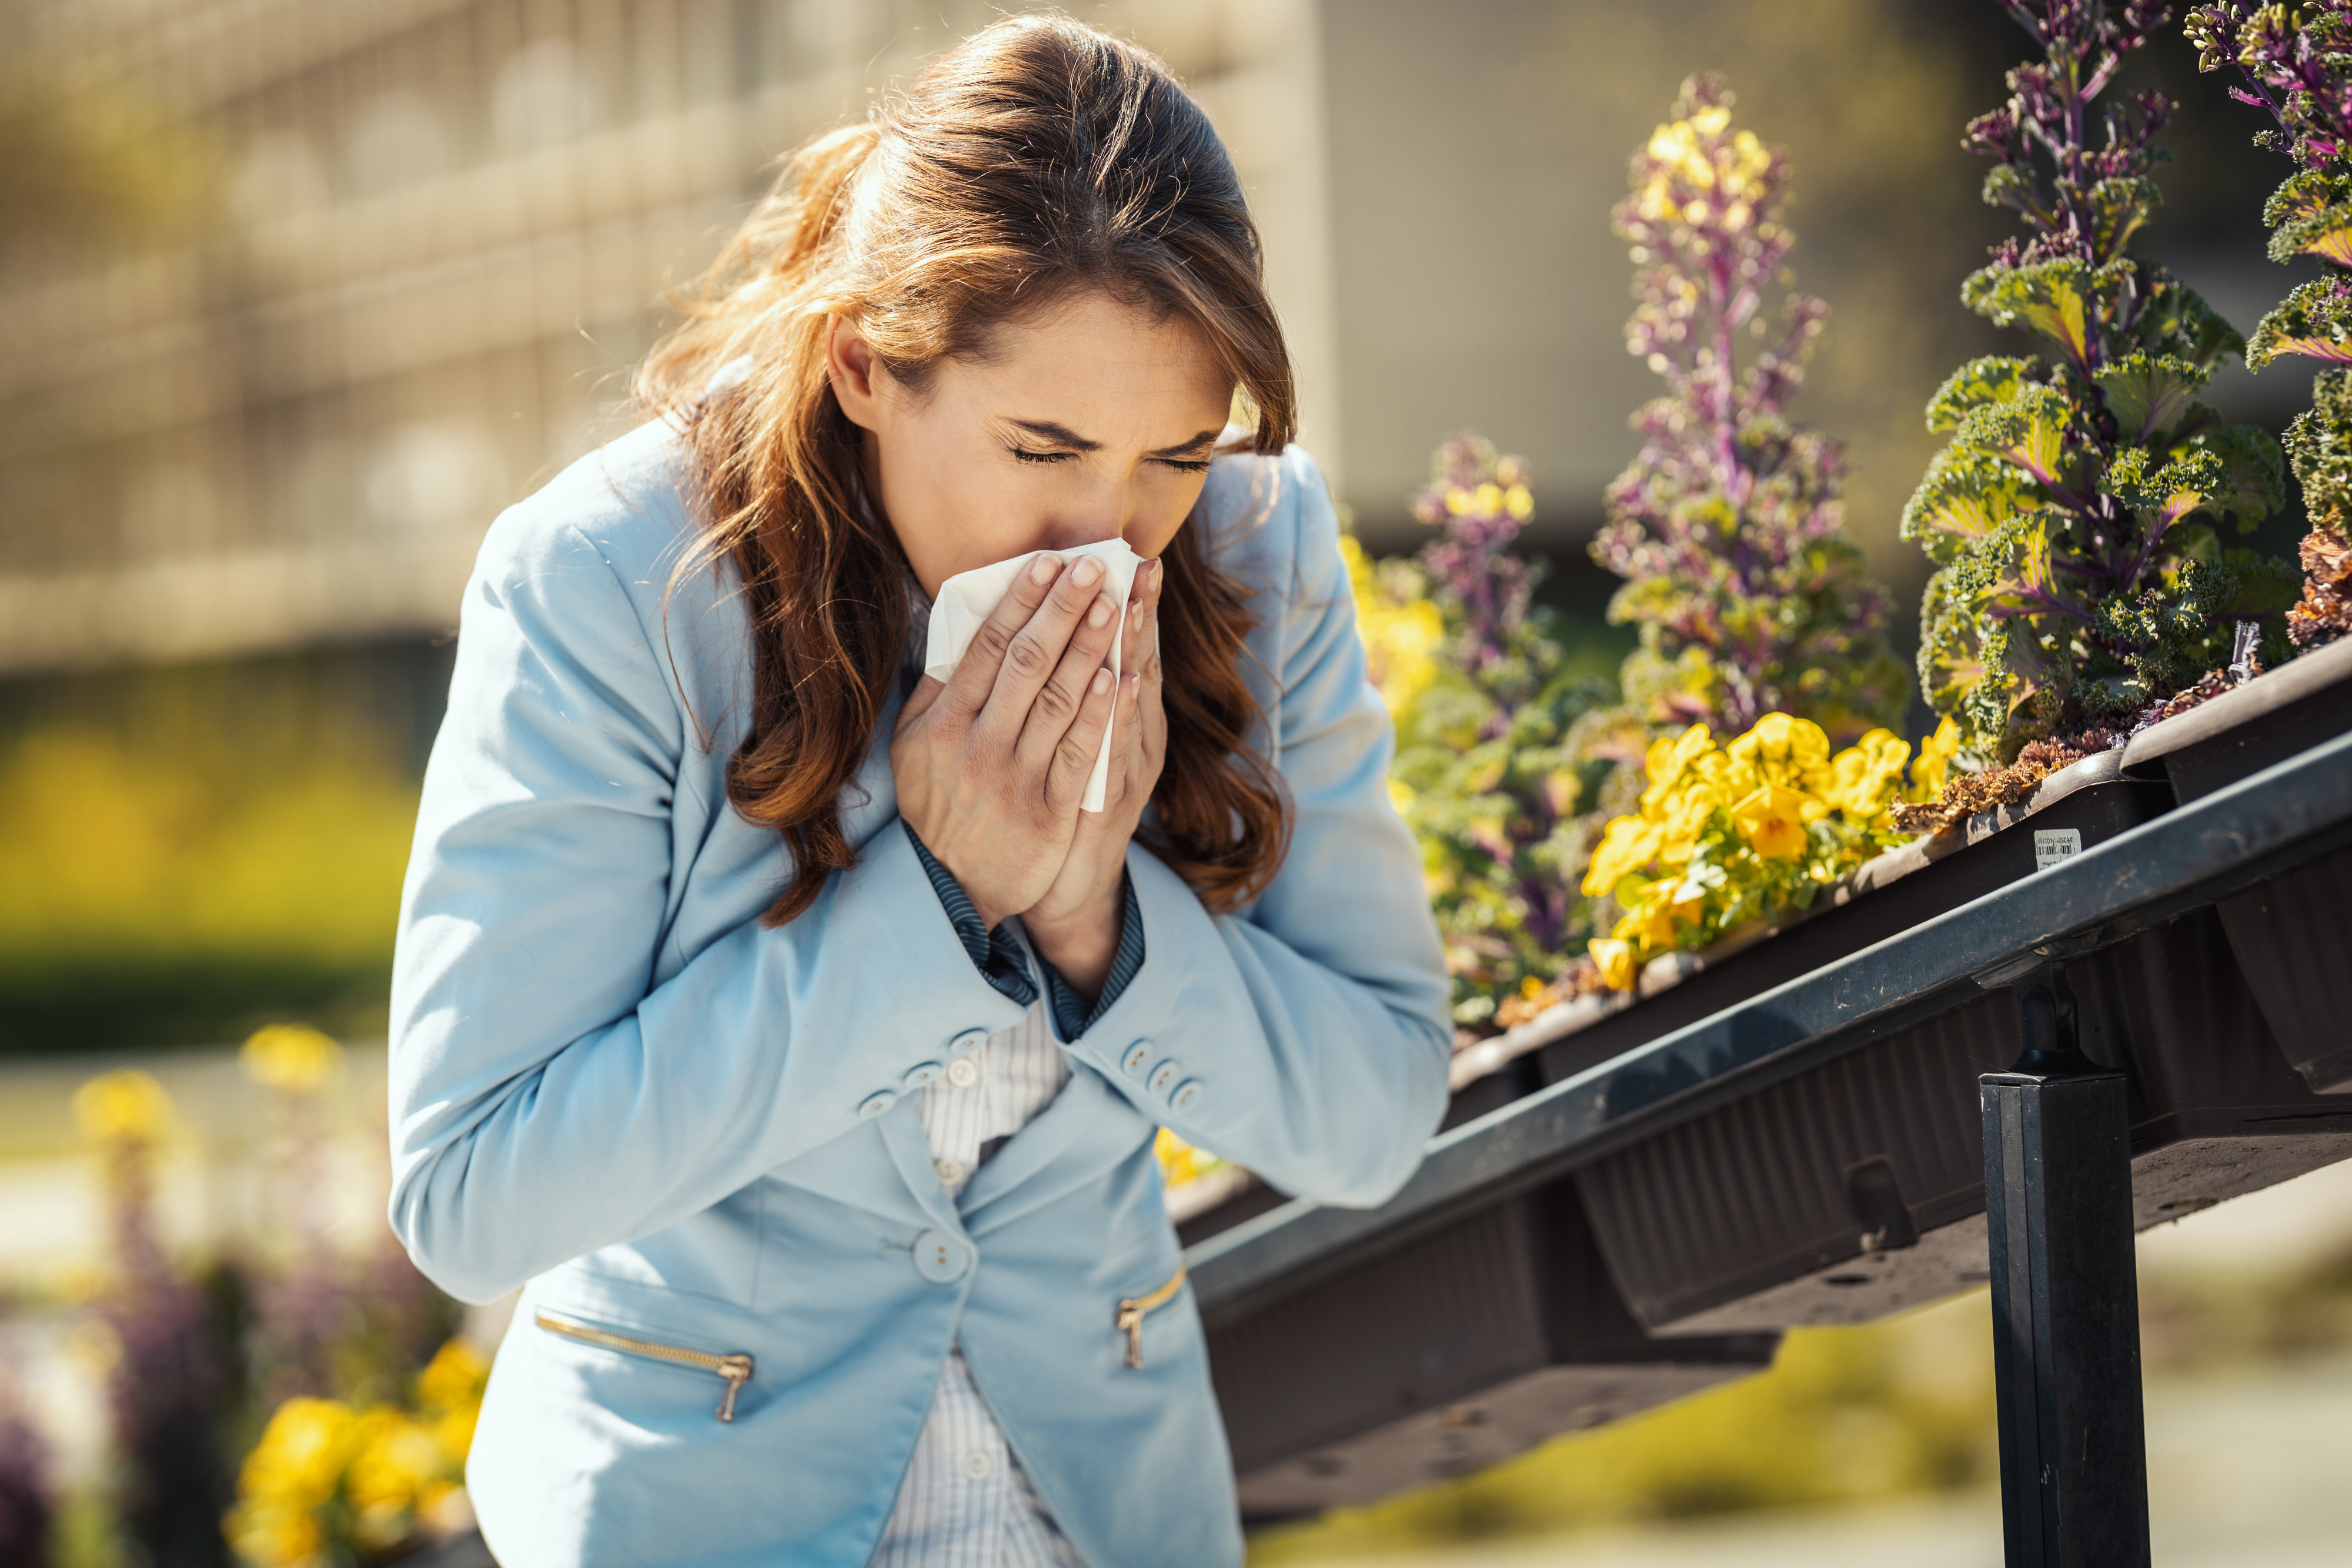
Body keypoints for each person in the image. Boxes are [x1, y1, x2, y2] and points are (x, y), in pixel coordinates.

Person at [386, 14, 1448, 1567]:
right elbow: (472, 1189)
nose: (1111, 532)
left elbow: (1376, 1110)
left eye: (1174, 454)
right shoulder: (609, 581)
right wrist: (937, 908)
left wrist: (1097, 920)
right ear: (867, 361)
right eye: (1044, 445)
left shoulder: (1256, 546)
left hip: (1102, 1511)